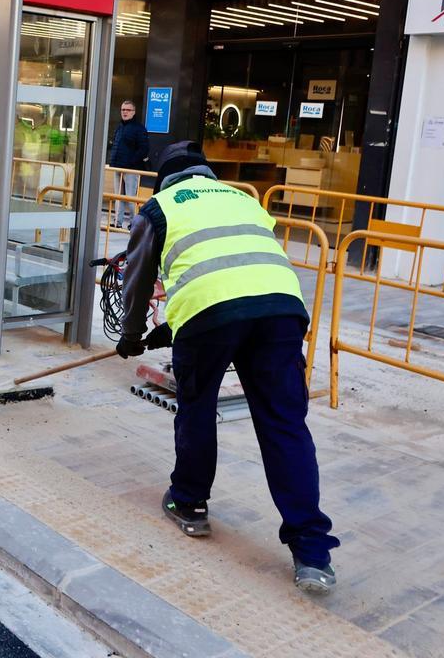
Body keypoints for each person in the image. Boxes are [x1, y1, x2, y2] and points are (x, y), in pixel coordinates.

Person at [117, 140, 339, 594]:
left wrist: (131, 336)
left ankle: (189, 503)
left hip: (209, 315)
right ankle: (313, 553)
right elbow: (238, 265)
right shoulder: (244, 198)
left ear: (165, 179)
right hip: (280, 309)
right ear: (207, 175)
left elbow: (139, 281)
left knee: (197, 407)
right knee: (285, 425)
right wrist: (174, 327)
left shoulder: (158, 207)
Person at [108, 100, 149, 229]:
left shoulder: (139, 129)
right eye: (123, 109)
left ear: (133, 112)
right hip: (117, 167)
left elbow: (144, 149)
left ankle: (134, 224)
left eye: (128, 110)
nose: (125, 112)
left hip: (131, 169)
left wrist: (130, 162)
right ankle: (117, 222)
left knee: (131, 199)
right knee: (118, 197)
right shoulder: (119, 127)